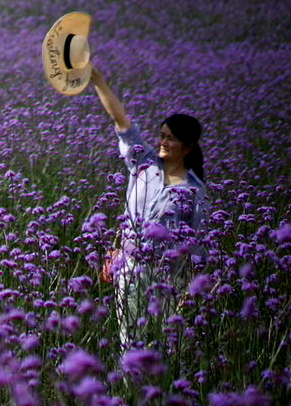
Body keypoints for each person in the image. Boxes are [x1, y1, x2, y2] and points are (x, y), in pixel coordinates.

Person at [86, 63, 207, 351]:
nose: (162, 142)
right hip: (129, 269)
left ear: (188, 146)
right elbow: (123, 123)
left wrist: (191, 289)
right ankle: (131, 395)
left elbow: (197, 243)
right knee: (130, 343)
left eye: (171, 138)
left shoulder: (193, 191)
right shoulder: (144, 163)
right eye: (162, 135)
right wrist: (99, 83)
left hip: (167, 278)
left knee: (162, 347)